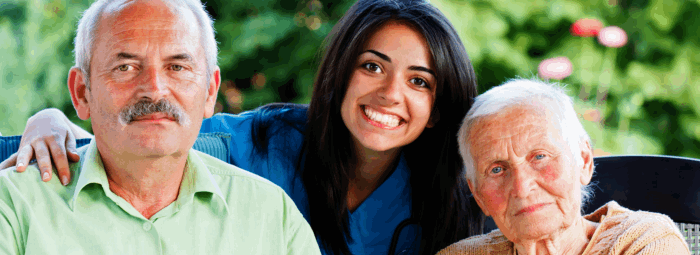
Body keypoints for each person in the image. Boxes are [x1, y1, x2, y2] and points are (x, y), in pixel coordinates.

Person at [0, 0, 483, 254]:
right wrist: (51, 122)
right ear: (340, 73)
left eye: (420, 81)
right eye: (372, 67)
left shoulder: (457, 194)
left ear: (439, 106)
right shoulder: (263, 145)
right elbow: (152, 132)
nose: (390, 94)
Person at [0, 0, 321, 254]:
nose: (154, 89)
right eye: (125, 67)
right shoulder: (13, 205)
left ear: (210, 92)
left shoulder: (270, 213)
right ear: (82, 92)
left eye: (177, 67)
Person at [437, 78, 689, 255]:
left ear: (584, 161)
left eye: (539, 157)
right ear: (479, 196)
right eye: (497, 170)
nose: (521, 188)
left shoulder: (645, 242)